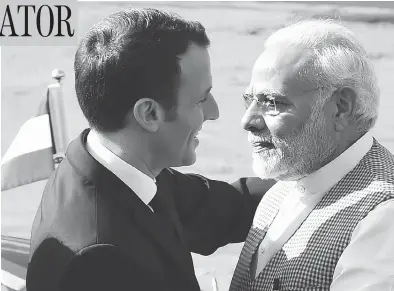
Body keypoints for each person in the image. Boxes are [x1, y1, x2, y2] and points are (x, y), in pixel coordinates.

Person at [26, 8, 275, 291]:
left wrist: (316, 186)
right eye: (201, 100)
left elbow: (221, 208)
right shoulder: (98, 262)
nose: (214, 111)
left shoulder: (109, 162)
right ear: (149, 114)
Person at [229, 19, 394, 291]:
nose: (248, 121)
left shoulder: (384, 217)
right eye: (250, 100)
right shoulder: (282, 189)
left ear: (341, 107)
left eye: (272, 102)